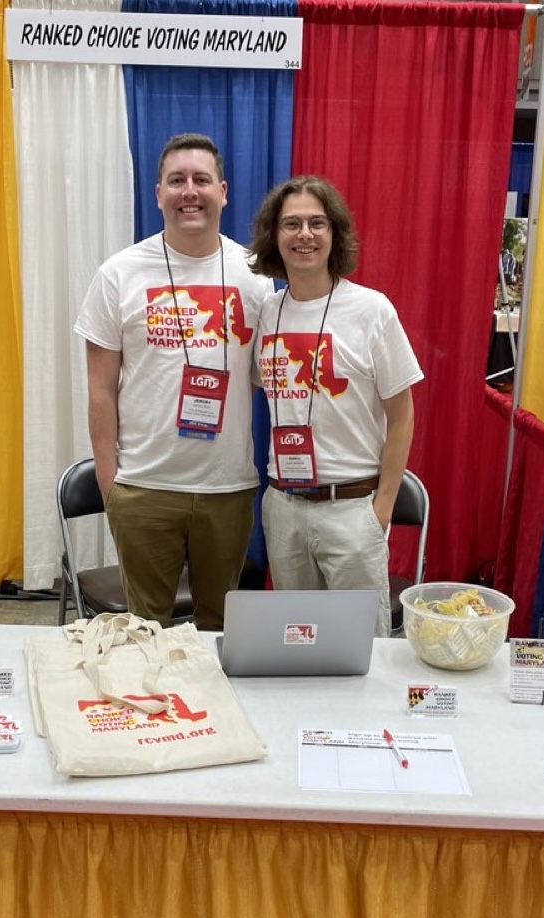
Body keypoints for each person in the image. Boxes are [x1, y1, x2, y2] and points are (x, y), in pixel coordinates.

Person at [74, 132, 271, 629]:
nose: (190, 191)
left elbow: (256, 377)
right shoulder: (119, 274)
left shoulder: (255, 276)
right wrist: (108, 479)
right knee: (145, 633)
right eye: (176, 180)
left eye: (201, 180)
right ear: (158, 193)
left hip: (227, 487)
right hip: (143, 486)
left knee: (219, 629)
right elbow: (101, 387)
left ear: (223, 191)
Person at [248, 175, 421, 635]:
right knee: (297, 643)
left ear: (334, 233)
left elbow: (402, 415)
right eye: (291, 224)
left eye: (316, 223)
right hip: (284, 506)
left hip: (352, 508)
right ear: (274, 236)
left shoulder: (372, 310)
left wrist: (381, 507)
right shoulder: (267, 312)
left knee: (361, 647)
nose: (304, 234)